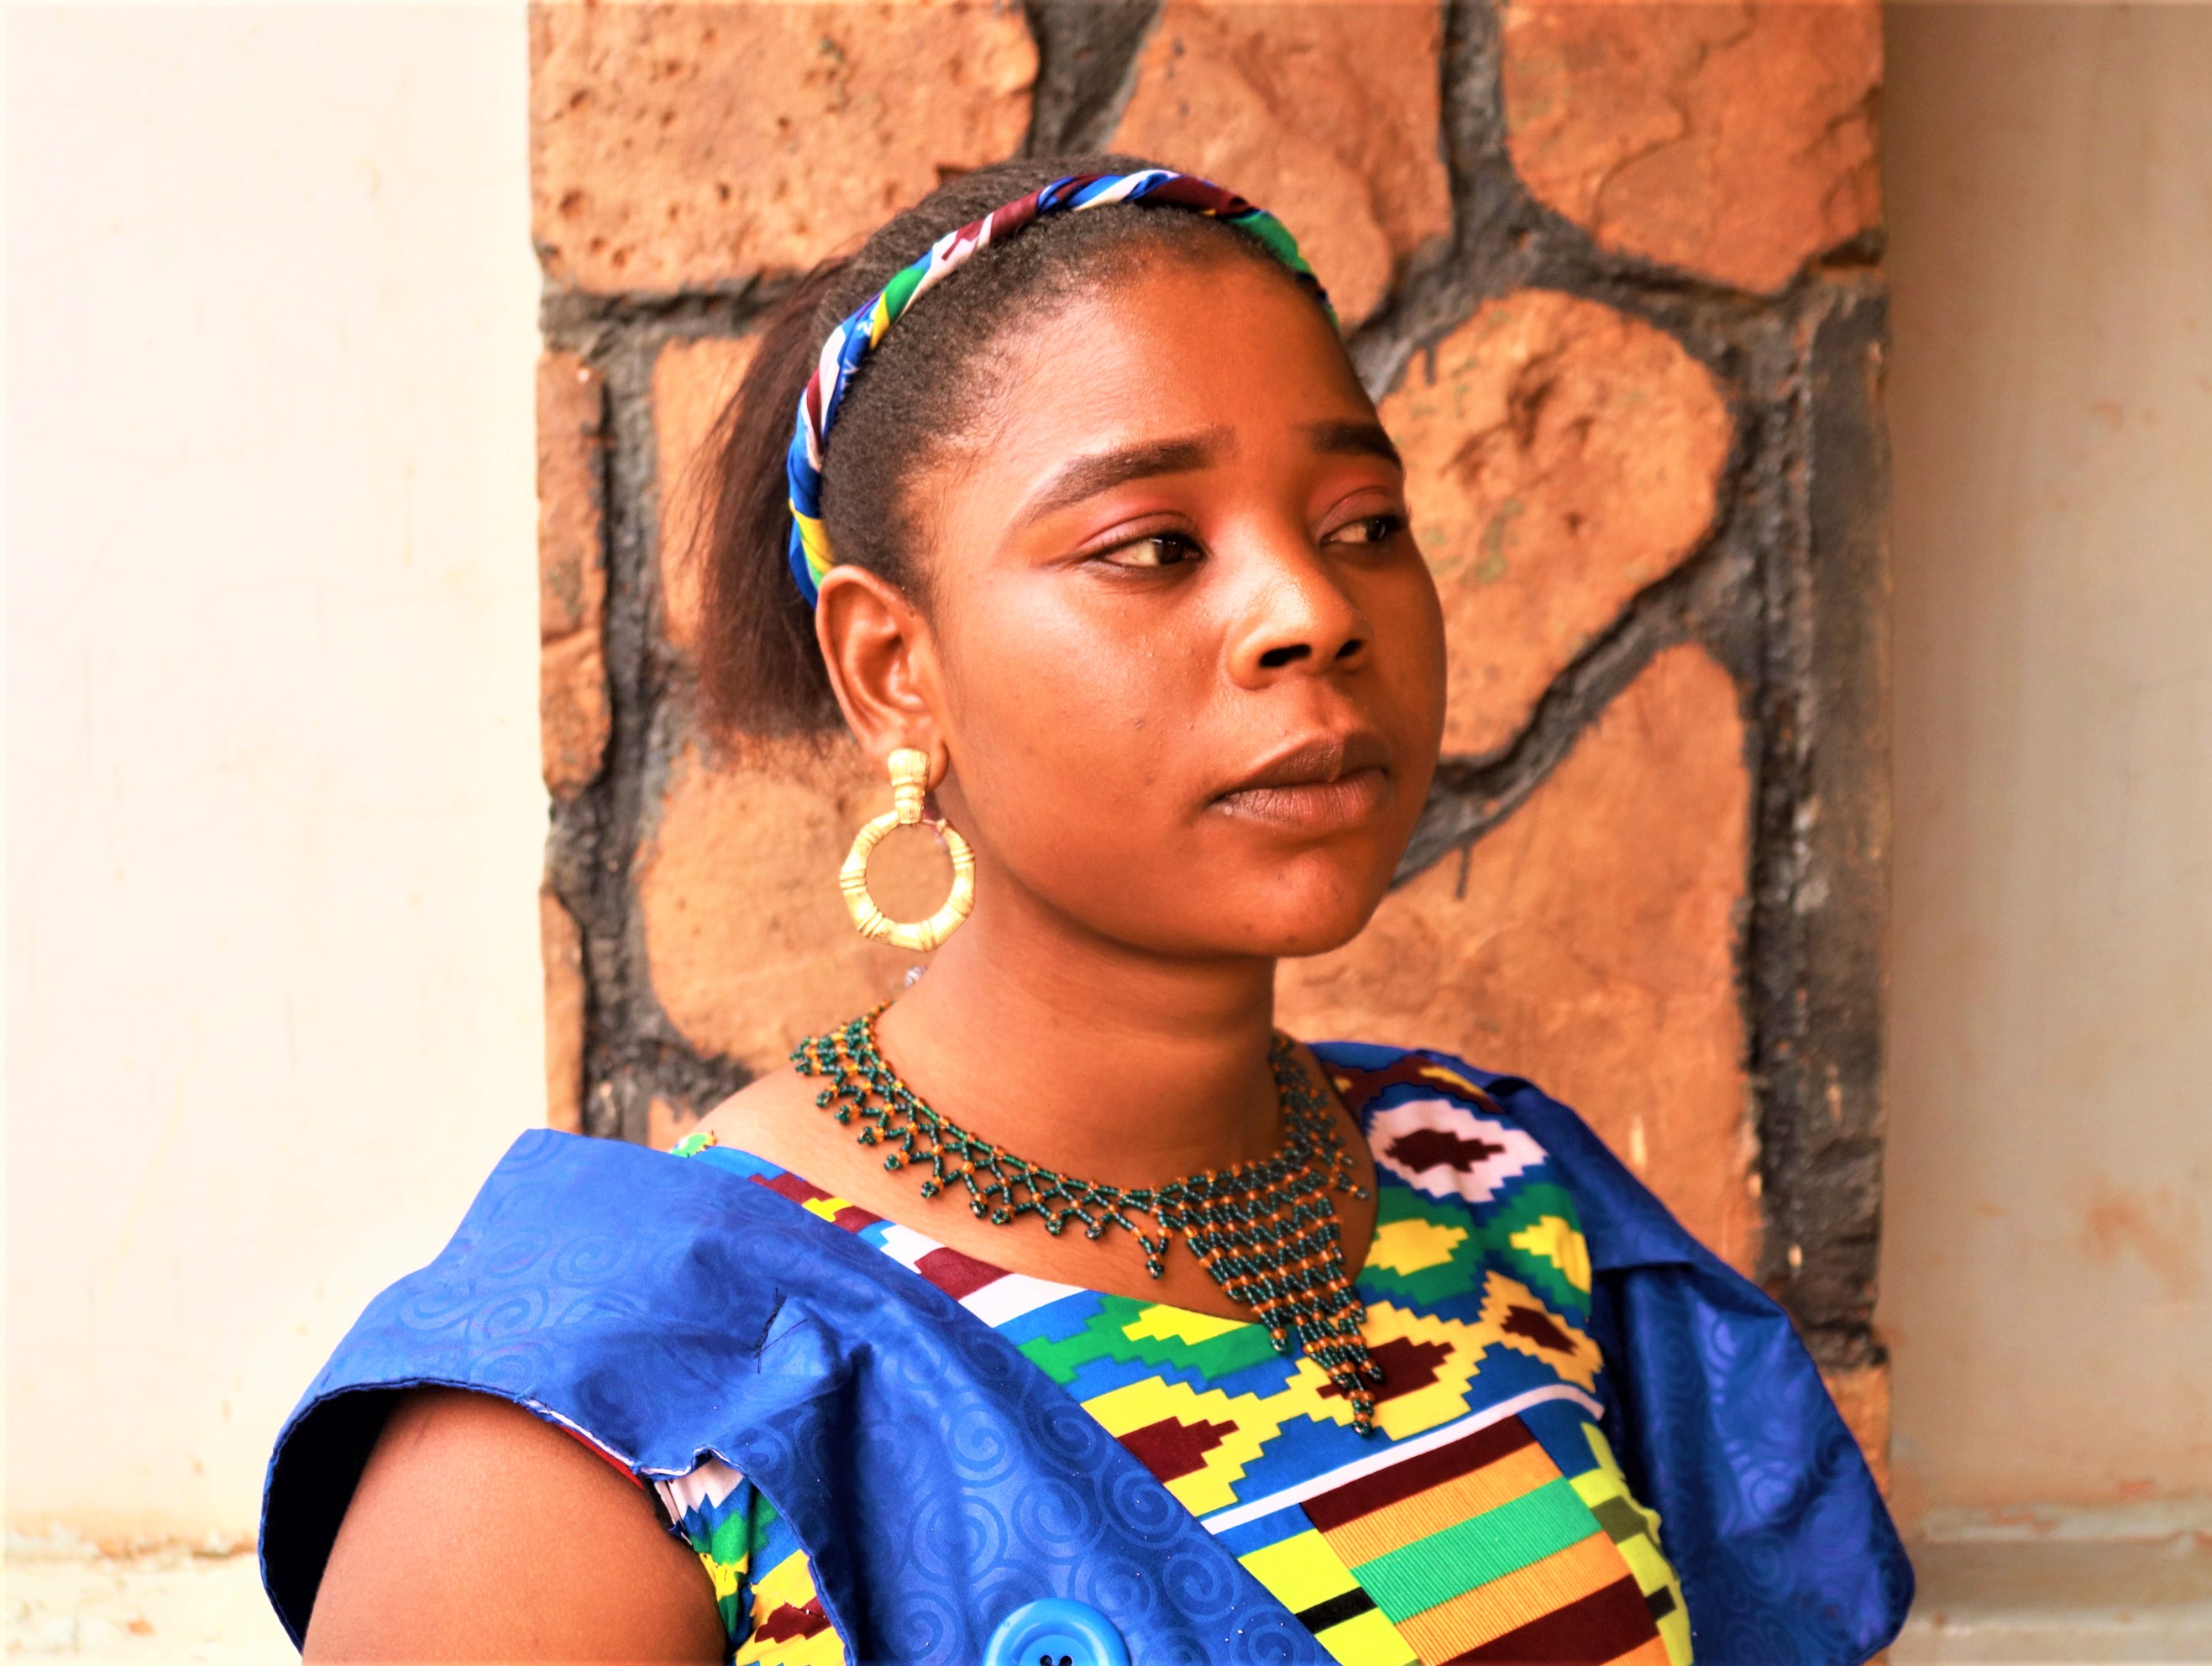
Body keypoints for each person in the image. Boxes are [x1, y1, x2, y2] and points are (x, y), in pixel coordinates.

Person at [259, 155, 1911, 1666]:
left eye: (1363, 526)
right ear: (893, 667)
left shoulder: (1509, 1197)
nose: (1311, 609)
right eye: (1153, 545)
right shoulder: (620, 1417)